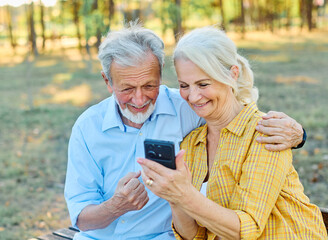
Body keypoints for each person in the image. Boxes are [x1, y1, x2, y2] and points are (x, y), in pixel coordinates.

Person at [64, 22, 306, 240]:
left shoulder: (189, 108)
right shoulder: (88, 128)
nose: (139, 99)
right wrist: (116, 206)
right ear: (108, 82)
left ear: (160, 76)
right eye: (127, 88)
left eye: (150, 85)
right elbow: (81, 217)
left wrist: (299, 135)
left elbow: (239, 119)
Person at [137, 26, 327, 240]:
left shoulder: (266, 133)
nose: (193, 96)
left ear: (232, 74)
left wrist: (184, 194)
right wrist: (173, 196)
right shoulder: (191, 144)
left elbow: (245, 229)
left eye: (203, 84)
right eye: (184, 85)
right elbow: (194, 236)